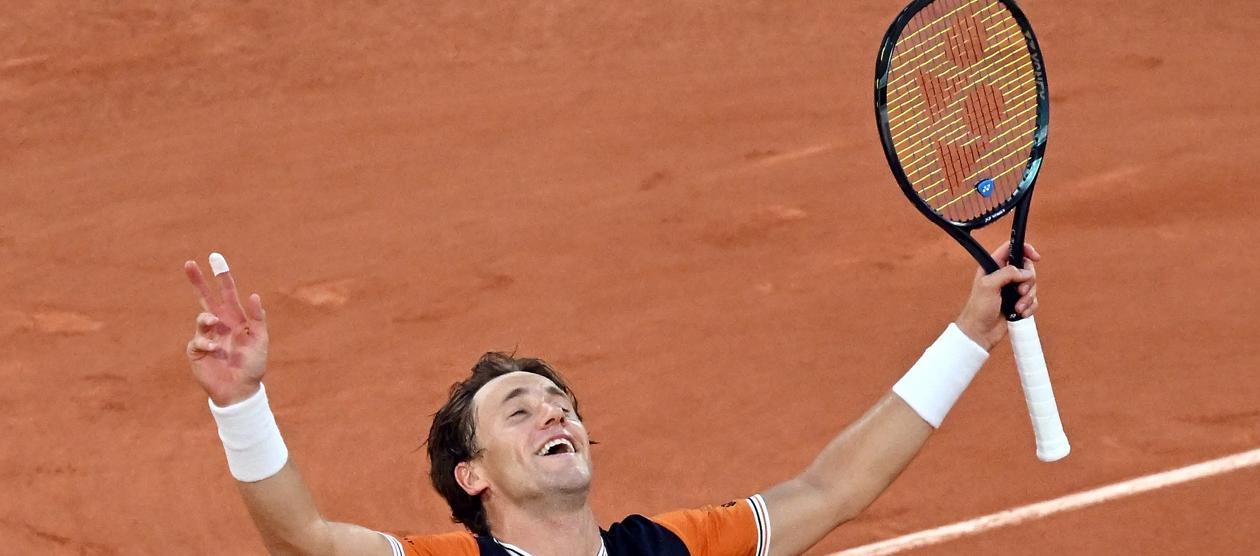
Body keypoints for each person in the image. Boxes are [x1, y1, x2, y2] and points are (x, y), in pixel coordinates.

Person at [182, 244, 1042, 556]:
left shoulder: (668, 549)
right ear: (473, 475)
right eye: (518, 410)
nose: (554, 414)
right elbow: (301, 540)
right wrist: (240, 405)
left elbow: (833, 489)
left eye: (558, 402)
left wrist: (970, 333)